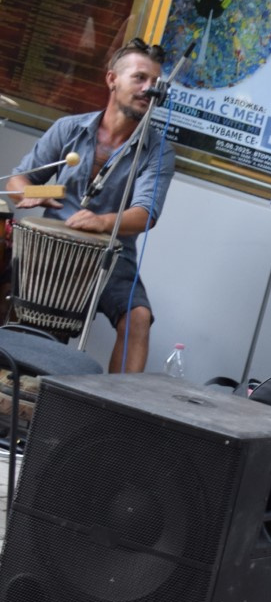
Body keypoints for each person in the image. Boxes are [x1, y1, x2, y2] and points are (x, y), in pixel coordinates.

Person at [7, 37, 174, 373]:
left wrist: (102, 222)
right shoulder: (69, 128)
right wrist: (33, 193)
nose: (149, 89)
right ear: (112, 79)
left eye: (155, 83)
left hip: (112, 256)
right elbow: (18, 181)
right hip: (49, 249)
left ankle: (113, 403)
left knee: (138, 318)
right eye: (139, 78)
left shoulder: (158, 151)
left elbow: (145, 215)